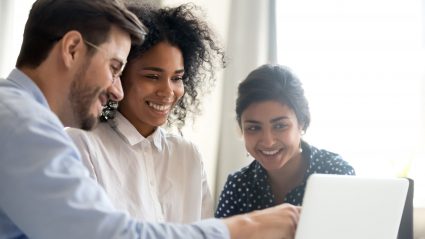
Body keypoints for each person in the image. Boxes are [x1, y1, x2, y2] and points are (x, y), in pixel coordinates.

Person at [0, 1, 300, 238]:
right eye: (115, 67)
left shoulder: (17, 115)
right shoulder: (22, 124)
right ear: (72, 49)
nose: (116, 89)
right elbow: (104, 235)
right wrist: (248, 227)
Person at [66, 3, 224, 223]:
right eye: (152, 76)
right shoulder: (82, 144)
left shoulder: (188, 156)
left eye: (177, 78)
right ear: (118, 75)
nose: (168, 91)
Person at [215, 64, 355, 218]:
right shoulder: (238, 186)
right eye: (254, 128)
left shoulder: (336, 174)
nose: (268, 141)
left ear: (301, 123)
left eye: (280, 126)